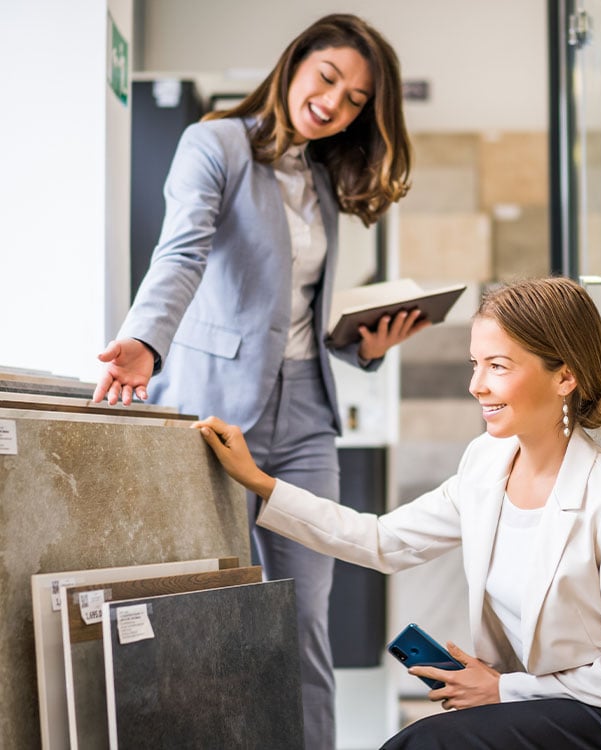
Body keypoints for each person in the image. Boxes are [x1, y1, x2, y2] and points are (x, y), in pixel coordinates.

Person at [193, 276, 601, 750]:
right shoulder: (485, 464)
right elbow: (381, 541)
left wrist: (501, 689)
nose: (477, 385)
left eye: (498, 366)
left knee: (425, 745)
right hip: (560, 701)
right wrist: (260, 481)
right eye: (475, 364)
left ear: (565, 377)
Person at [92, 14, 428, 749]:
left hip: (306, 414)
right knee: (222, 615)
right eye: (328, 77)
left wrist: (366, 347)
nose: (335, 102)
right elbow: (181, 252)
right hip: (215, 414)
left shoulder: (322, 178)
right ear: (295, 64)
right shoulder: (213, 143)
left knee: (307, 618)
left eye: (357, 98)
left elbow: (294, 313)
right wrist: (147, 340)